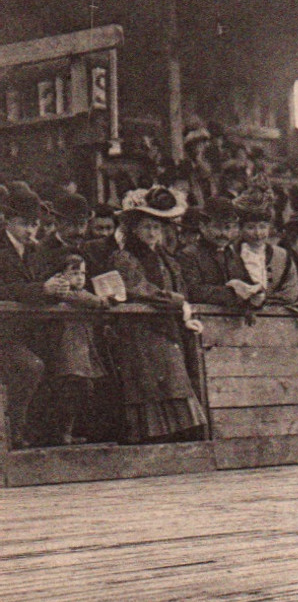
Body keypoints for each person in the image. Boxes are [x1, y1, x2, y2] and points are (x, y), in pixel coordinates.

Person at [108, 187, 208, 443]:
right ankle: (150, 435)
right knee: (151, 383)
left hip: (168, 328)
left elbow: (181, 287)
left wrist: (180, 301)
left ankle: (182, 432)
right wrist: (175, 300)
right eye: (146, 227)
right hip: (140, 331)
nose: (152, 233)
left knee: (175, 377)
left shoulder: (167, 259)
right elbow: (137, 287)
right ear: (134, 230)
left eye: (156, 228)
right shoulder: (125, 257)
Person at [0, 187, 58, 446]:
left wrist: (57, 288)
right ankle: (13, 433)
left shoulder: (36, 252)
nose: (30, 230)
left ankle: (34, 434)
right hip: (4, 334)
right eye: (24, 224)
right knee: (29, 367)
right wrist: (40, 290)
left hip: (30, 331)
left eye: (34, 224)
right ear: (8, 221)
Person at [35, 248, 110, 445]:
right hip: (66, 351)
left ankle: (68, 431)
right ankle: (61, 433)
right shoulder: (65, 293)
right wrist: (100, 301)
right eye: (74, 273)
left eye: (82, 274)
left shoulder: (80, 292)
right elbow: (84, 299)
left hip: (82, 350)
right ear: (61, 276)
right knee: (70, 389)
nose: (79, 278)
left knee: (82, 390)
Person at [233, 191, 298, 310]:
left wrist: (264, 300)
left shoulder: (282, 256)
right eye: (250, 227)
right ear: (241, 229)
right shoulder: (231, 254)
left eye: (263, 227)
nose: (258, 233)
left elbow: (291, 291)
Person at [177, 197, 251, 310]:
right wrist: (233, 293)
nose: (224, 234)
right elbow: (193, 291)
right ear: (202, 227)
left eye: (228, 228)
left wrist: (258, 294)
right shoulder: (189, 255)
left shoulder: (233, 256)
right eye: (217, 227)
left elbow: (249, 285)